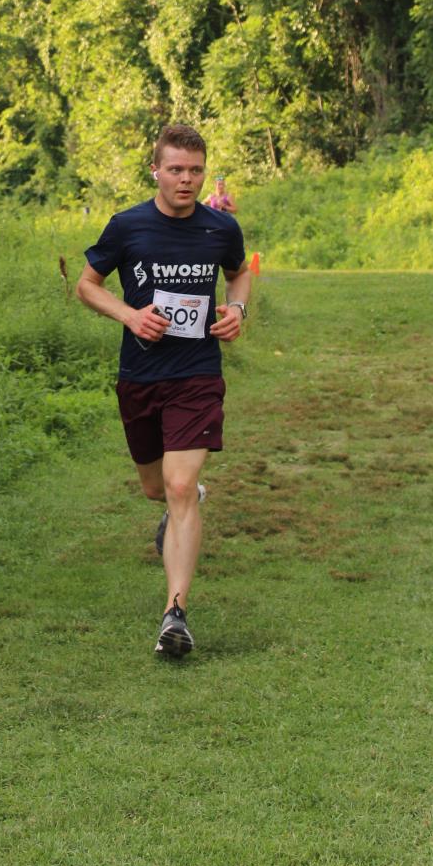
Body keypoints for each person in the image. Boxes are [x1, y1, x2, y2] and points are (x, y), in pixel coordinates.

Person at [76, 123, 251, 658]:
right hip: (141, 377)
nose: (186, 179)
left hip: (197, 374)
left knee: (179, 485)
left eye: (195, 170)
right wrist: (130, 316)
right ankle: (185, 501)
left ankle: (175, 614)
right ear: (155, 170)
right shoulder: (127, 226)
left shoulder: (220, 228)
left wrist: (237, 308)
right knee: (158, 489)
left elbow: (239, 274)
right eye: (175, 169)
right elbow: (86, 285)